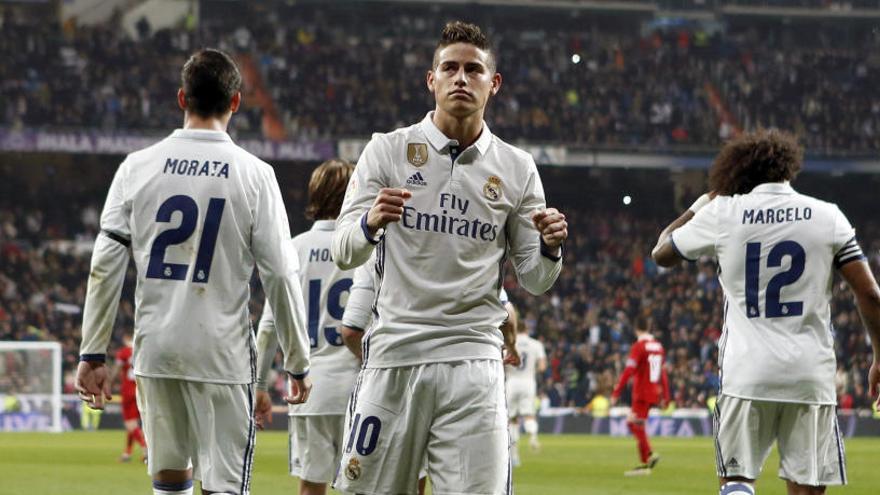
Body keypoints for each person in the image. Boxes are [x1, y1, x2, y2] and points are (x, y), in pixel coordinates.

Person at [330, 21, 567, 494]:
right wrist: (369, 223)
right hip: (394, 357)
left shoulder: (517, 168)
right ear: (431, 79)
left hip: (474, 362)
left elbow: (536, 280)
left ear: (493, 83)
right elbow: (342, 251)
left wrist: (551, 247)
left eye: (474, 69)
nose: (462, 78)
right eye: (450, 68)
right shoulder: (387, 150)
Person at [75, 48, 312, 495]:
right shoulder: (256, 175)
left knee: (169, 480)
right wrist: (298, 362)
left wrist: (93, 354)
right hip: (222, 356)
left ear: (181, 99)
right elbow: (280, 274)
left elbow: (105, 266)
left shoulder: (135, 168)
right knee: (223, 486)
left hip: (157, 352)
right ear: (237, 102)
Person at [651, 129, 880, 495]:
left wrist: (703, 202)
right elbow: (869, 293)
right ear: (789, 169)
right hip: (810, 375)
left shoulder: (724, 212)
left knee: (738, 482)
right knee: (807, 488)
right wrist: (879, 357)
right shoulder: (828, 216)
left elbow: (662, 252)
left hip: (746, 373)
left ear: (737, 173)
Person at [253, 158, 359, 495]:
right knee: (366, 485)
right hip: (361, 389)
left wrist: (259, 385)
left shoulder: (293, 250)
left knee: (310, 488)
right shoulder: (367, 251)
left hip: (309, 390)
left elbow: (269, 325)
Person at [609, 315, 670, 476]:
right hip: (654, 392)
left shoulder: (639, 346)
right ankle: (645, 465)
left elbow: (629, 370)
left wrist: (616, 392)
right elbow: (662, 373)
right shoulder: (658, 346)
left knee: (632, 423)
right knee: (638, 424)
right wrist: (666, 395)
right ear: (649, 327)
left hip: (642, 392)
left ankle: (649, 455)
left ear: (636, 328)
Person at [504, 303, 546, 467]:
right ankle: (533, 437)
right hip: (528, 382)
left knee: (512, 419)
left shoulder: (509, 343)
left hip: (512, 382)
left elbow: (503, 362)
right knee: (529, 414)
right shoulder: (536, 344)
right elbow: (542, 367)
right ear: (527, 330)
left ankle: (514, 456)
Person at [112, 333, 147, 463]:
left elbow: (116, 369)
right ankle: (127, 452)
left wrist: (108, 382)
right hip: (142, 389)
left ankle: (146, 448)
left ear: (126, 338)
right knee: (134, 424)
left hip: (128, 390)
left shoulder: (125, 352)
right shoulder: (143, 349)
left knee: (130, 423)